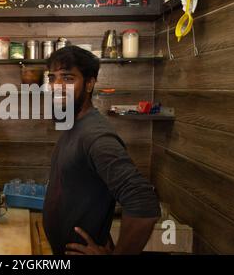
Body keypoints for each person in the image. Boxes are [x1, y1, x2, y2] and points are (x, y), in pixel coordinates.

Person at [43, 46, 161, 255]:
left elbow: (143, 201)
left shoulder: (96, 136)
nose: (56, 86)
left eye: (68, 79)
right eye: (53, 78)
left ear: (89, 84)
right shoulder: (74, 124)